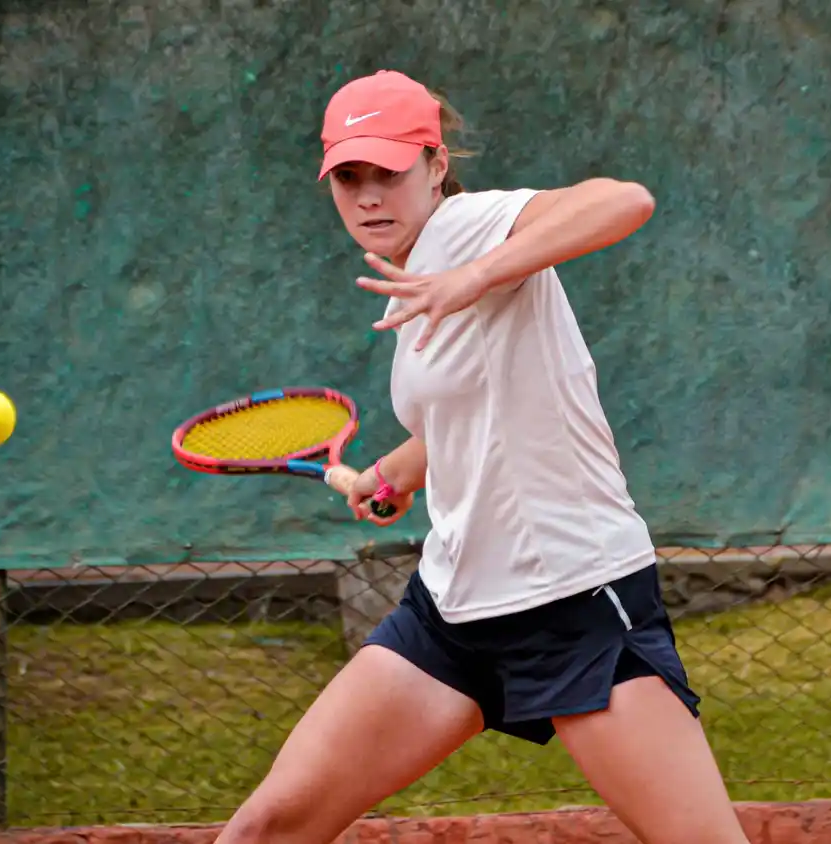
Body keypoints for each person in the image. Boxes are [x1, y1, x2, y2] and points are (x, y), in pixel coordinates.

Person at [213, 69, 751, 844]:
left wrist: (476, 274)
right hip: (453, 612)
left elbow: (625, 200)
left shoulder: (468, 229)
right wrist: (398, 471)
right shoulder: (410, 277)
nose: (368, 196)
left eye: (389, 172)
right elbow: (476, 414)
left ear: (435, 166)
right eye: (349, 177)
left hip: (573, 599)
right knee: (269, 827)